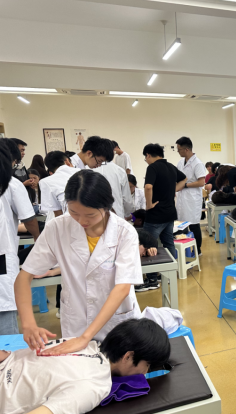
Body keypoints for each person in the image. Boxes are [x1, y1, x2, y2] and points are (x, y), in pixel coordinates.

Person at [16, 170, 143, 352]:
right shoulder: (58, 227)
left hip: (116, 324)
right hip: (76, 323)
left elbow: (122, 287)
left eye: (90, 215)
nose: (82, 220)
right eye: (74, 212)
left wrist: (85, 338)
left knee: (119, 366)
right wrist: (28, 324)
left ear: (106, 206)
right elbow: (24, 276)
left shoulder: (124, 232)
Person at [0, 318, 171, 414]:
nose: (145, 373)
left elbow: (9, 357)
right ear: (128, 356)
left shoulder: (79, 343)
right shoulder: (93, 386)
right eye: (147, 365)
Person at [0, 140, 38, 336]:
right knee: (5, 328)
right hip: (2, 261)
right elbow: (29, 219)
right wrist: (39, 240)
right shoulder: (12, 184)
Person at [142, 143, 187, 259]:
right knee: (168, 243)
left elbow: (148, 187)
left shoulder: (152, 167)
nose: (146, 161)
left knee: (148, 245)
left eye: (145, 158)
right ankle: (172, 268)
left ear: (148, 155)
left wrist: (149, 204)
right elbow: (184, 179)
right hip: (170, 213)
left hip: (156, 214)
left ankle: (152, 271)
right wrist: (173, 189)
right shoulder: (171, 167)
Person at [175, 137, 205, 254]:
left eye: (179, 149)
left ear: (186, 149)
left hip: (192, 199)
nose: (178, 151)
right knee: (181, 225)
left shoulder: (197, 163)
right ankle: (184, 250)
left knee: (193, 225)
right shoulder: (180, 162)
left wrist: (185, 185)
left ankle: (198, 250)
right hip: (182, 198)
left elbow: (201, 182)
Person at [39, 151, 79, 217]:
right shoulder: (84, 172)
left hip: (71, 218)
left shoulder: (46, 182)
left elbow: (58, 214)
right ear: (67, 161)